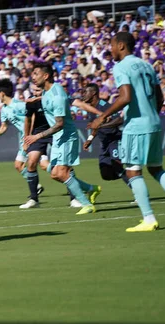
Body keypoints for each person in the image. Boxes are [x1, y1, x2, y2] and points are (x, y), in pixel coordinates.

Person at [88, 32, 165, 231]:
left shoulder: (121, 67)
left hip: (136, 126)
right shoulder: (147, 65)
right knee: (156, 168)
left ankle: (149, 219)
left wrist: (101, 117)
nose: (110, 50)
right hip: (154, 122)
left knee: (132, 171)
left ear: (121, 46)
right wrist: (150, 114)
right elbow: (160, 98)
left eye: (112, 45)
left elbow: (125, 97)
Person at [24, 62, 99, 215]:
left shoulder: (57, 95)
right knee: (55, 173)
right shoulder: (47, 91)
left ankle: (86, 204)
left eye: (36, 74)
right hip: (58, 138)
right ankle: (91, 188)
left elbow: (59, 124)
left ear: (46, 76)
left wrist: (37, 136)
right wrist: (37, 99)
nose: (33, 77)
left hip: (65, 136)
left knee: (62, 172)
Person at [0, 79, 44, 202]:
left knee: (46, 166)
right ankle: (37, 187)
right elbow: (4, 126)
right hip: (24, 139)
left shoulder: (19, 105)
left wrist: (29, 136)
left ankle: (73, 182)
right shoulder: (4, 109)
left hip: (32, 137)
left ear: (2, 93)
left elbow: (34, 115)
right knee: (19, 165)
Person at [81, 83, 130, 189]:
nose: (82, 95)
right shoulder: (91, 109)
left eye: (85, 92)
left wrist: (102, 125)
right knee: (106, 174)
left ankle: (137, 188)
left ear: (93, 93)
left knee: (117, 166)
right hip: (104, 144)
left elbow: (119, 120)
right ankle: (132, 177)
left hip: (114, 140)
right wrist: (89, 139)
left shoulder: (104, 106)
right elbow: (95, 127)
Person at [20, 84, 51, 209]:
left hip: (55, 130)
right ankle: (34, 199)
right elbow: (27, 120)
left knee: (61, 165)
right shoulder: (31, 102)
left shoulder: (52, 97)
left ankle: (74, 197)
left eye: (38, 90)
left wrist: (39, 98)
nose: (36, 93)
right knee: (31, 162)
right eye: (34, 91)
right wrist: (26, 139)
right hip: (38, 133)